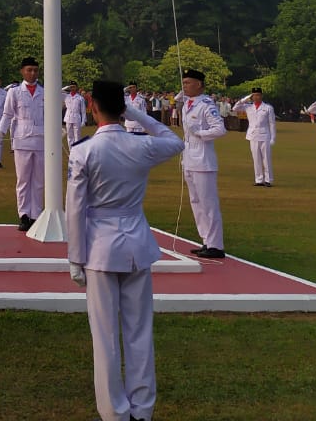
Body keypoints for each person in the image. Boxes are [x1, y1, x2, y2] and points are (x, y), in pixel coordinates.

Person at [67, 79, 184, 421]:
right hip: (136, 243)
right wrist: (135, 113)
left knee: (105, 337)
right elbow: (174, 141)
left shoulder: (83, 150)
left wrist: (75, 258)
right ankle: (142, 409)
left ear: (92, 107)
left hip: (100, 248)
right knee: (139, 332)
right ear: (122, 108)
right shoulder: (140, 145)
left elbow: (75, 209)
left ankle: (114, 412)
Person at [0, 57, 45, 231]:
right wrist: (0, 133)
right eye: (29, 70)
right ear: (22, 71)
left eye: (35, 70)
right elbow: (7, 114)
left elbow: (51, 115)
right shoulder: (14, 92)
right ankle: (23, 215)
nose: (32, 73)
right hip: (21, 139)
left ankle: (36, 215)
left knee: (38, 181)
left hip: (41, 140)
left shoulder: (44, 92)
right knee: (23, 180)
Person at [179, 69, 227, 258]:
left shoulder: (206, 104)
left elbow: (220, 129)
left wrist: (199, 132)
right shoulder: (187, 104)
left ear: (199, 84)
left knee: (208, 203)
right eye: (183, 83)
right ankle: (206, 240)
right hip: (189, 158)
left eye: (188, 82)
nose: (184, 86)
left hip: (203, 159)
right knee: (196, 202)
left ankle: (216, 245)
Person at [231, 87, 276, 186]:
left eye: (258, 95)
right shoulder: (248, 106)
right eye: (254, 95)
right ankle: (259, 179)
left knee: (266, 159)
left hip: (265, 135)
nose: (256, 97)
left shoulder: (268, 108)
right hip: (253, 135)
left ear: (261, 96)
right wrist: (246, 98)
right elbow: (235, 108)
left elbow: (272, 123)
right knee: (256, 158)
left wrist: (273, 138)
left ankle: (268, 180)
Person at [63, 83, 85, 147]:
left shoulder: (80, 98)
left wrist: (83, 121)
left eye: (74, 87)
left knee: (77, 136)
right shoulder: (66, 96)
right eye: (71, 87)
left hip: (76, 118)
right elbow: (56, 92)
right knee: (69, 136)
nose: (72, 88)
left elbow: (83, 111)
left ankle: (77, 151)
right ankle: (71, 151)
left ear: (76, 87)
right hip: (68, 118)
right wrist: (65, 87)